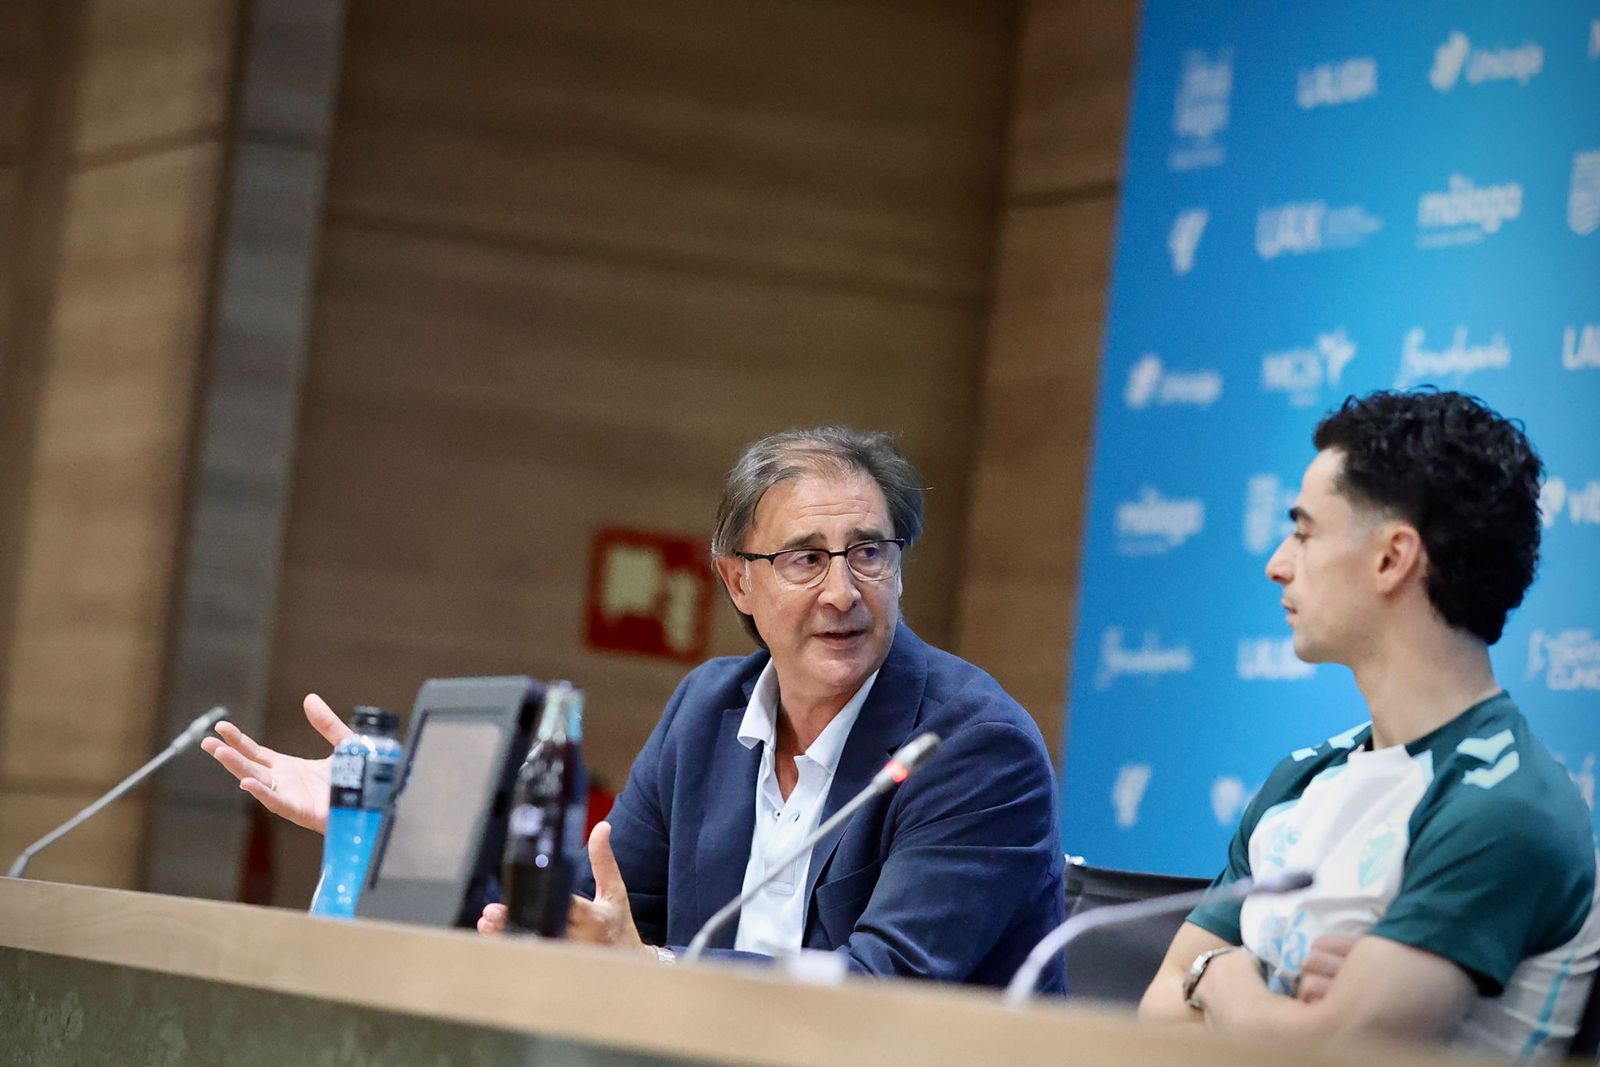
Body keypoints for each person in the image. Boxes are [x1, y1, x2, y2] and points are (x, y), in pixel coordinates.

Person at [205, 426, 1066, 989]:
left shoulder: (971, 744)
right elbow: (575, 916)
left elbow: (885, 989)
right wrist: (392, 831)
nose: (844, 590)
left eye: (868, 553)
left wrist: (656, 964)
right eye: (806, 559)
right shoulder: (707, 711)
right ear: (739, 579)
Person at [1138, 390, 1600, 1057]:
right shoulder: (1302, 778)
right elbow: (1157, 1013)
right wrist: (1245, 987)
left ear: (1392, 558)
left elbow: (1333, 1051)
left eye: (1303, 530)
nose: (1277, 563)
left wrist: (1225, 979)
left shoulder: (1508, 806)